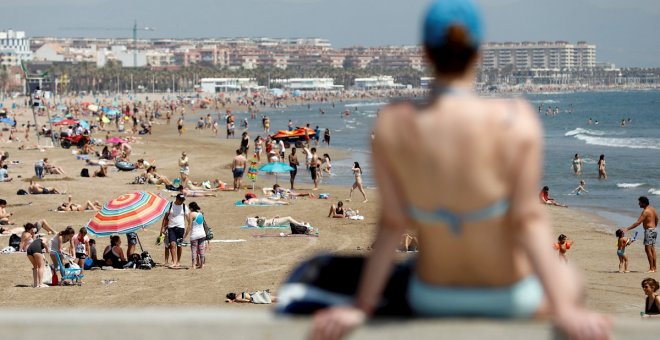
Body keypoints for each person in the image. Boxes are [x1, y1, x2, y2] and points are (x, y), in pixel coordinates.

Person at [310, 1, 610, 339]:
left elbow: (392, 223)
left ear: (425, 52)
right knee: (573, 280)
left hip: (434, 295)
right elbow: (528, 220)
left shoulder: (394, 123)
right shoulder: (515, 119)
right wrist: (566, 309)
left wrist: (361, 307)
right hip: (507, 295)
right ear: (479, 52)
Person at [621, 196, 658, 273]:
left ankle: (651, 268)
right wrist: (654, 226)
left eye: (640, 202)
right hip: (654, 230)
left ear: (644, 203)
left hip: (649, 231)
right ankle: (654, 267)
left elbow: (638, 222)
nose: (639, 204)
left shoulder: (645, 211)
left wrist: (627, 228)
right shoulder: (652, 209)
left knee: (648, 250)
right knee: (652, 249)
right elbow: (657, 218)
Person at [159, 194, 189, 268]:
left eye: (183, 200)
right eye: (180, 200)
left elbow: (189, 219)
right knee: (172, 244)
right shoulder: (170, 205)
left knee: (179, 246)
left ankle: (178, 261)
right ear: (176, 199)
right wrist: (162, 228)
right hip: (171, 228)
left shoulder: (185, 207)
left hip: (181, 228)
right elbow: (165, 218)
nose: (182, 201)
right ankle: (174, 262)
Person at [183, 202, 207, 269]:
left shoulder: (191, 214)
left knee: (194, 250)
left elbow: (189, 225)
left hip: (194, 235)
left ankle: (193, 265)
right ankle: (202, 265)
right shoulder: (201, 214)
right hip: (202, 234)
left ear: (191, 208)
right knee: (202, 250)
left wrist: (185, 235)